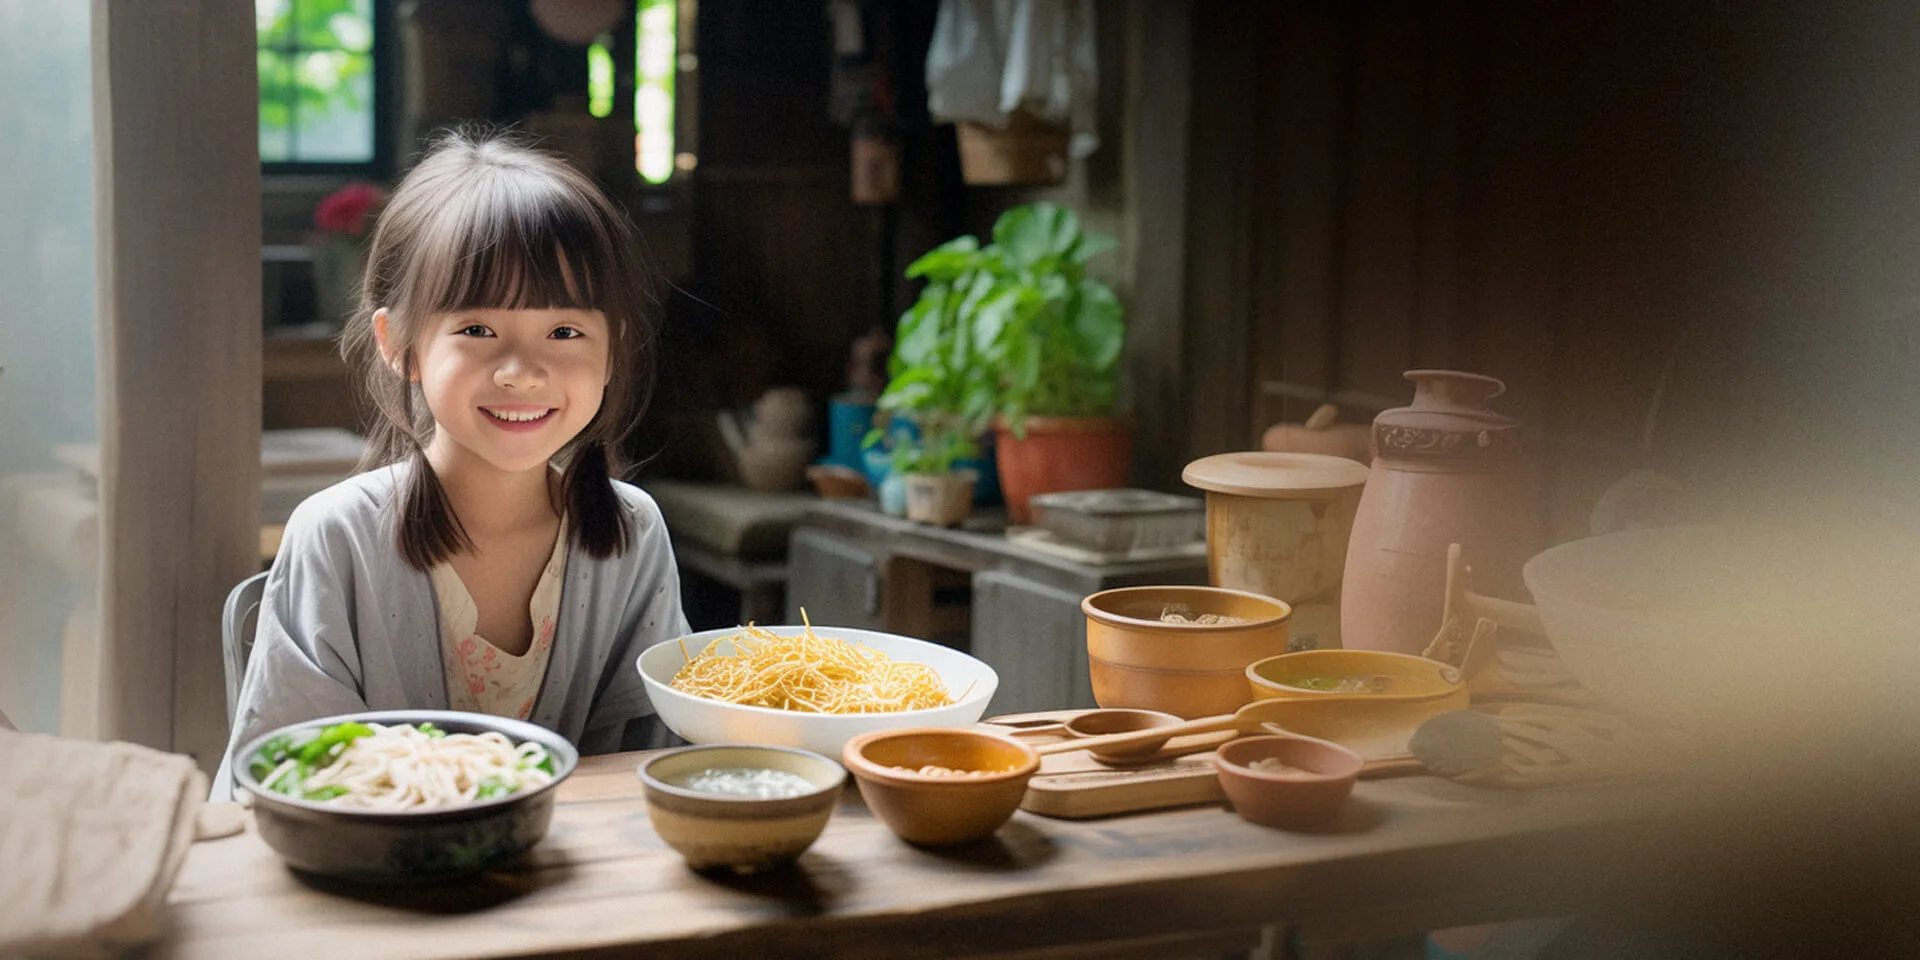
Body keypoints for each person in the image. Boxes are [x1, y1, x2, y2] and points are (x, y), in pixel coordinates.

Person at [218, 129, 686, 792]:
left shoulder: (629, 534)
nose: (522, 373)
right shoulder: (338, 537)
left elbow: (653, 761)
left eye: (564, 331)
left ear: (613, 349)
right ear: (399, 344)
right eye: (477, 331)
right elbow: (282, 782)